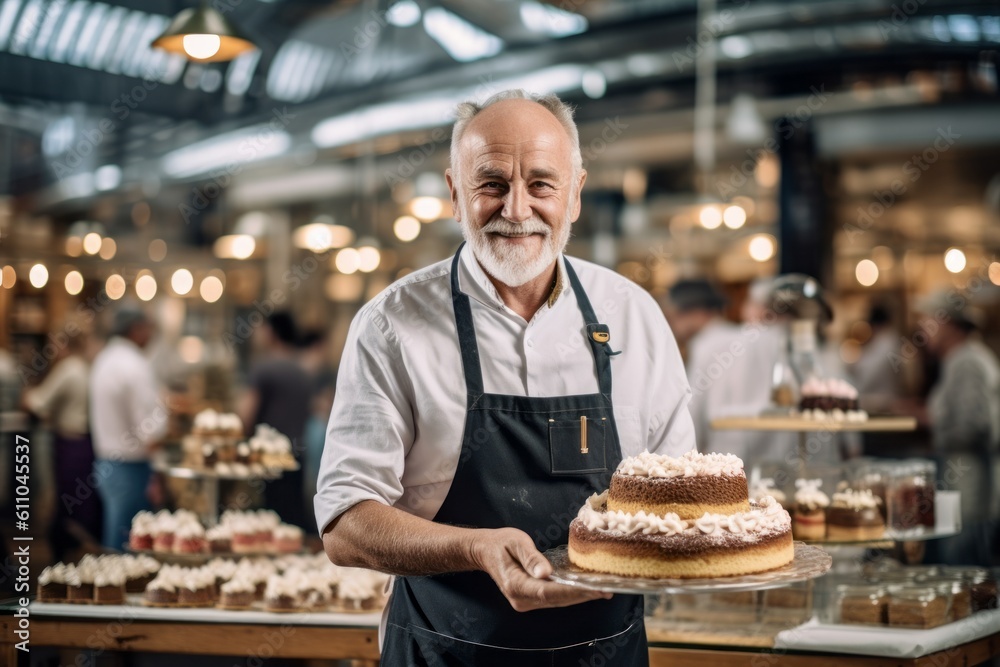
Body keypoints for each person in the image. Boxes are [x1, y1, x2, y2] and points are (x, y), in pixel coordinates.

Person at [315, 90, 694, 666]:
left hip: (605, 651)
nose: (516, 210)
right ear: (454, 194)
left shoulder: (632, 314)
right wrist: (475, 547)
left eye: (541, 184)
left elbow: (680, 496)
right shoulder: (391, 324)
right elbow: (344, 524)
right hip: (445, 650)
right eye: (491, 184)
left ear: (575, 196)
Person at [903, 294, 1000, 565]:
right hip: (964, 478)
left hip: (972, 483)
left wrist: (929, 420)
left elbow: (975, 426)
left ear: (950, 325)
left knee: (966, 565)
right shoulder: (961, 359)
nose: (923, 327)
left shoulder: (967, 361)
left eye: (929, 319)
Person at [22, 322, 102, 557]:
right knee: (79, 501)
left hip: (71, 446)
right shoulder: (86, 367)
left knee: (68, 503)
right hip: (84, 444)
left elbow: (36, 402)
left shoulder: (69, 369)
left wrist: (26, 393)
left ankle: (67, 556)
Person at [90, 307, 166, 549]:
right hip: (131, 468)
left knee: (117, 541)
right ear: (137, 329)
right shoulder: (134, 364)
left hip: (107, 462)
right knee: (129, 548)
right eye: (149, 328)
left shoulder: (105, 359)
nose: (151, 335)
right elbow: (150, 429)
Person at [239, 312, 311, 529]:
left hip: (267, 459)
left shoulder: (263, 368)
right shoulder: (302, 370)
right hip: (296, 456)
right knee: (290, 525)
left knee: (264, 526)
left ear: (271, 332)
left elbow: (246, 415)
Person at [666, 278, 739, 451]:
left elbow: (693, 409)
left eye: (674, 315)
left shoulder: (704, 344)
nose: (672, 324)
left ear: (697, 312)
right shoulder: (740, 336)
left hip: (720, 450)